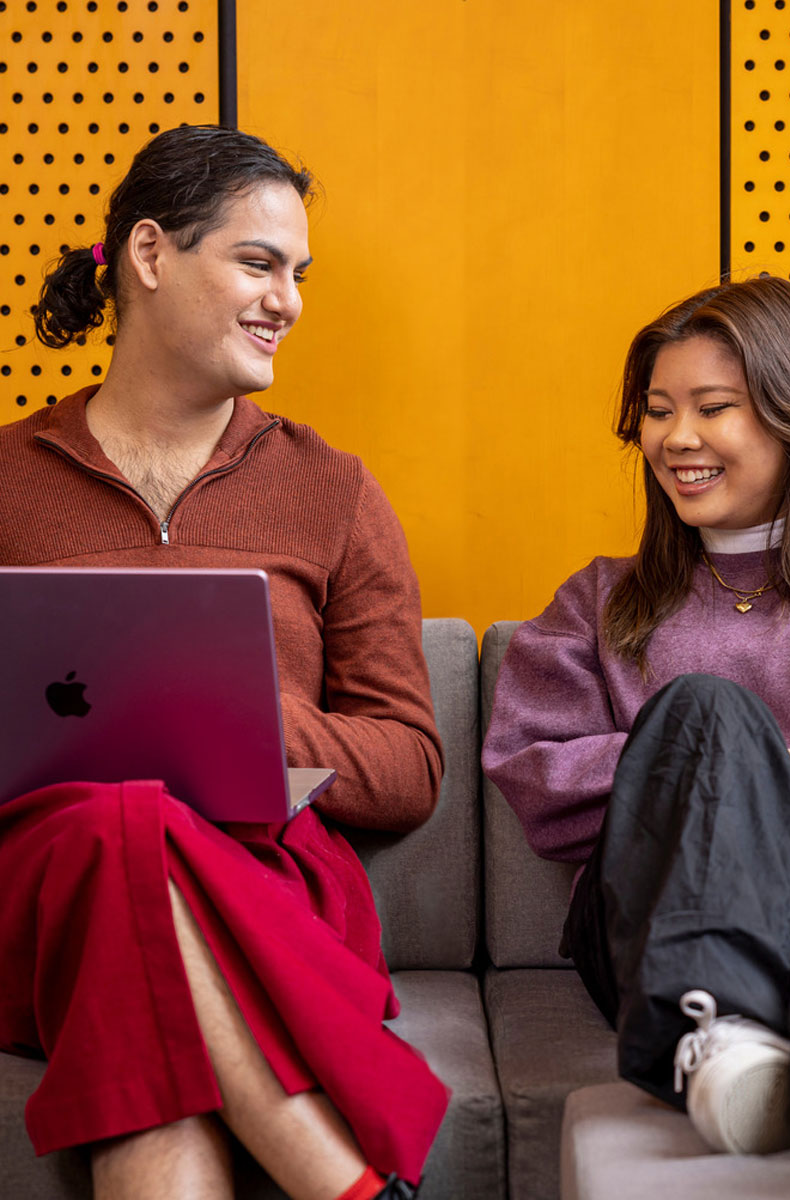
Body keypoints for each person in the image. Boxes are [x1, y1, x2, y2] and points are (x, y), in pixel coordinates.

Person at [0, 124, 448, 1200]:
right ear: (150, 256)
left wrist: (238, 713)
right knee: (117, 828)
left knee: (133, 843)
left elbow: (410, 769)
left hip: (267, 885)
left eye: (298, 275)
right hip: (44, 898)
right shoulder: (6, 478)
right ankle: (343, 1181)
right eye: (258, 262)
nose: (287, 299)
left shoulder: (331, 487)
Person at [483, 275, 790, 1199]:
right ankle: (720, 1031)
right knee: (707, 707)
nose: (675, 439)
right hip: (664, 901)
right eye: (658, 412)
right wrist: (750, 769)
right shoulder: (602, 600)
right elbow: (535, 775)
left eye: (713, 409)